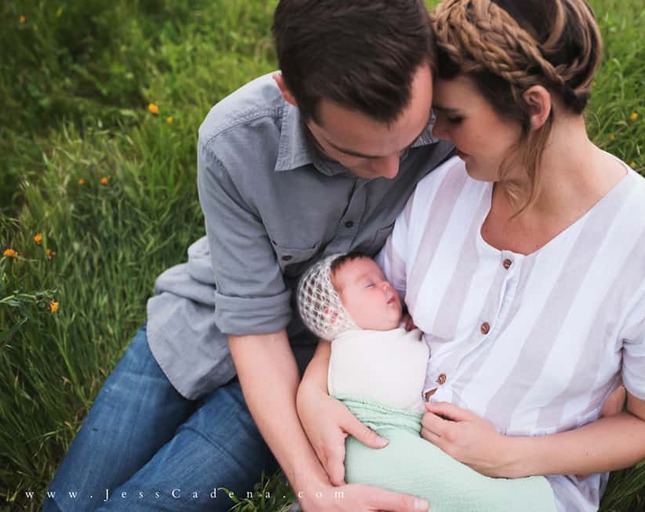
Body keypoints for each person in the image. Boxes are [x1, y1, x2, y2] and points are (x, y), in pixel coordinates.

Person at [297, 0, 645, 511]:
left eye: (454, 117)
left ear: (534, 107)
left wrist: (510, 456)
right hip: (393, 438)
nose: (437, 135)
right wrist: (314, 394)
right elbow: (364, 311)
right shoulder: (441, 192)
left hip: (523, 489)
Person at [44, 1, 454, 511]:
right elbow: (254, 330)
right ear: (292, 95)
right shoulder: (234, 140)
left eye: (409, 139)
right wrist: (316, 494)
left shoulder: (454, 118)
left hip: (317, 363)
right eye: (361, 153)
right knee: (67, 504)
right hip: (199, 327)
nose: (393, 169)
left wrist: (315, 480)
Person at [296, 252, 556, 511]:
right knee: (446, 484)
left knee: (443, 478)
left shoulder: (399, 333)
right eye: (369, 285)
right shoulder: (345, 343)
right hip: (369, 440)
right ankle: (515, 503)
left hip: (402, 434)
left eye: (384, 278)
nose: (386, 285)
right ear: (333, 316)